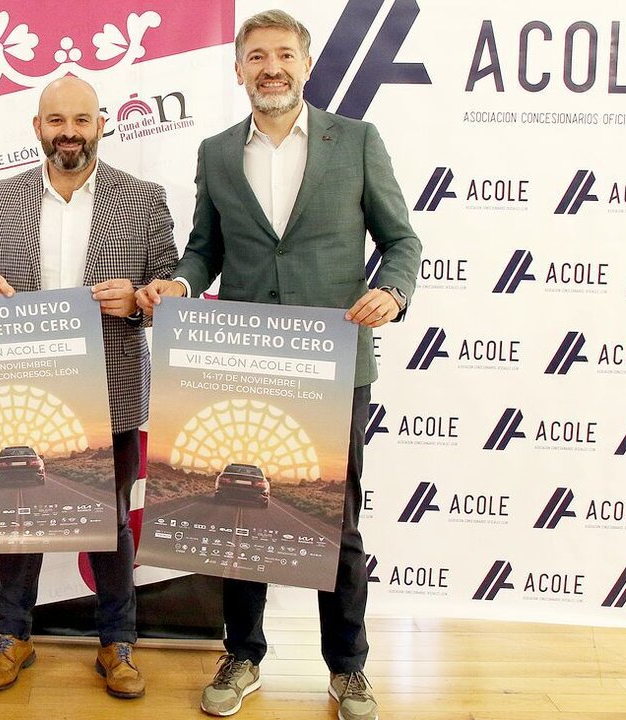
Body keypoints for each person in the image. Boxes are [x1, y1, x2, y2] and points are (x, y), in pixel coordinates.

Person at [136, 10, 421, 720]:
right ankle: (243, 654)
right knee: (243, 518)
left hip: (333, 364)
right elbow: (206, 248)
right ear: (239, 69)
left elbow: (402, 241)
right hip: (244, 362)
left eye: (284, 55)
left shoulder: (355, 141)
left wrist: (391, 290)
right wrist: (179, 279)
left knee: (338, 523)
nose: (271, 67)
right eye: (257, 55)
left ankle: (348, 668)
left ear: (305, 62)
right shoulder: (216, 152)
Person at [0, 76, 178, 699]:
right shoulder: (1, 199)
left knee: (111, 522)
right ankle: (13, 636)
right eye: (56, 120)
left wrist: (140, 301)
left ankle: (117, 644)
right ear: (37, 127)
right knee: (19, 515)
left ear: (101, 125)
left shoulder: (142, 198)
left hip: (109, 385)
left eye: (81, 120)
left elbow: (168, 281)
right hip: (22, 393)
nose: (69, 132)